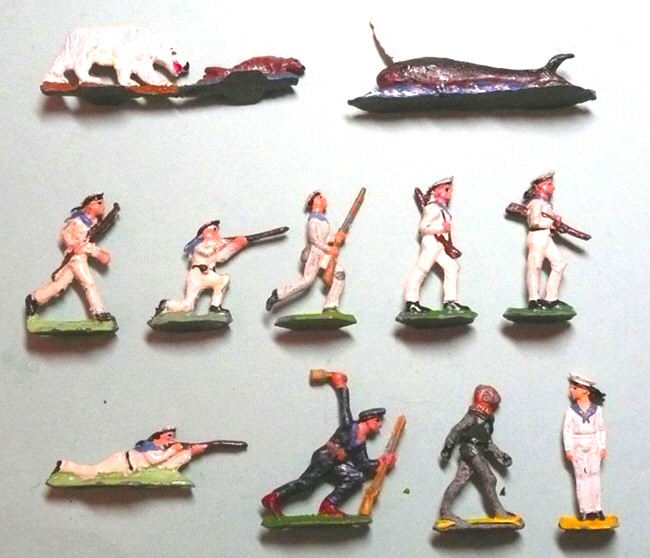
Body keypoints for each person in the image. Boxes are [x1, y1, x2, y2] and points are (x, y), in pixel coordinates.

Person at [261, 373, 396, 516]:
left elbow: (362, 464)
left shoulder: (360, 443)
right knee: (306, 483)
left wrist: (381, 462)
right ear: (367, 420)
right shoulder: (349, 426)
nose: (380, 425)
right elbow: (344, 406)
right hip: (325, 457)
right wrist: (341, 386)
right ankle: (273, 497)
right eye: (377, 420)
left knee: (356, 476)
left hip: (336, 463)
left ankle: (328, 505)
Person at [26, 193, 114, 321]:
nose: (103, 206)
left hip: (80, 256)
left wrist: (95, 251)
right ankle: (98, 312)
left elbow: (86, 243)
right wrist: (75, 246)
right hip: (76, 258)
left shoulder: (92, 223)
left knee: (58, 286)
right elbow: (67, 234)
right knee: (88, 283)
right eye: (99, 203)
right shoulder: (78, 222)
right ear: (90, 206)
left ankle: (34, 298)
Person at [438, 385, 514, 524]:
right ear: (485, 397)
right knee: (489, 479)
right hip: (471, 450)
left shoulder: (486, 420)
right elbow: (457, 430)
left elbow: (487, 442)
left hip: (474, 450)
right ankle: (499, 512)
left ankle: (445, 511)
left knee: (460, 480)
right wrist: (447, 448)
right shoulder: (473, 416)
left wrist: (500, 455)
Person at [265, 191, 346, 313]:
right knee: (307, 281)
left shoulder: (323, 220)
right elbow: (315, 241)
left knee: (340, 274)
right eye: (320, 197)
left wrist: (335, 238)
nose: (324, 199)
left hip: (324, 252)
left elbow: (325, 238)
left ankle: (330, 305)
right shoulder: (312, 222)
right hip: (315, 253)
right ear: (314, 202)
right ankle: (278, 294)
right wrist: (330, 249)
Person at [155, 220, 248, 315]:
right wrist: (222, 244)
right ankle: (167, 304)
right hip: (196, 275)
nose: (216, 233)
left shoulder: (216, 246)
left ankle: (215, 307)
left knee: (222, 280)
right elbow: (207, 253)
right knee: (187, 307)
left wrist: (236, 245)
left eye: (216, 230)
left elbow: (222, 257)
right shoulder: (199, 246)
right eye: (213, 230)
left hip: (208, 274)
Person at [404, 177, 469, 313]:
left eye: (450, 189)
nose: (450, 192)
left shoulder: (441, 208)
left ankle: (450, 302)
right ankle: (411, 302)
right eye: (446, 189)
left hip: (440, 244)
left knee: (452, 267)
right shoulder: (433, 208)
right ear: (436, 191)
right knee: (422, 269)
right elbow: (423, 228)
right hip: (432, 242)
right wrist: (441, 228)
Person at [53, 426, 207, 480]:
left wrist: (189, 451)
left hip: (125, 465)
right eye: (168, 436)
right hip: (122, 462)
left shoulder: (159, 449)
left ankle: (67, 467)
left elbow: (163, 463)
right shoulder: (149, 446)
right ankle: (65, 466)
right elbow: (154, 460)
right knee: (93, 472)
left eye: (172, 437)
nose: (170, 440)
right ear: (158, 436)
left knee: (93, 474)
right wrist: (173, 450)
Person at [563, 373, 607, 521]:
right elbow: (567, 430)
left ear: (585, 390)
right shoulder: (571, 411)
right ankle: (585, 510)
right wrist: (568, 448)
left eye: (575, 388)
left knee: (594, 475)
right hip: (577, 444)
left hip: (593, 444)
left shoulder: (597, 410)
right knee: (581, 477)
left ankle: (597, 508)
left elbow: (601, 429)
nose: (571, 390)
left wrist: (602, 445)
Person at [523, 172, 568, 309]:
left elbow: (546, 222)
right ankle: (534, 299)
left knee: (559, 263)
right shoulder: (536, 203)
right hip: (537, 236)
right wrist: (551, 222)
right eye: (548, 184)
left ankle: (551, 298)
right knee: (535, 266)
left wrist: (556, 224)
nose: (553, 187)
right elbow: (535, 222)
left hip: (545, 236)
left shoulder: (545, 204)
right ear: (537, 187)